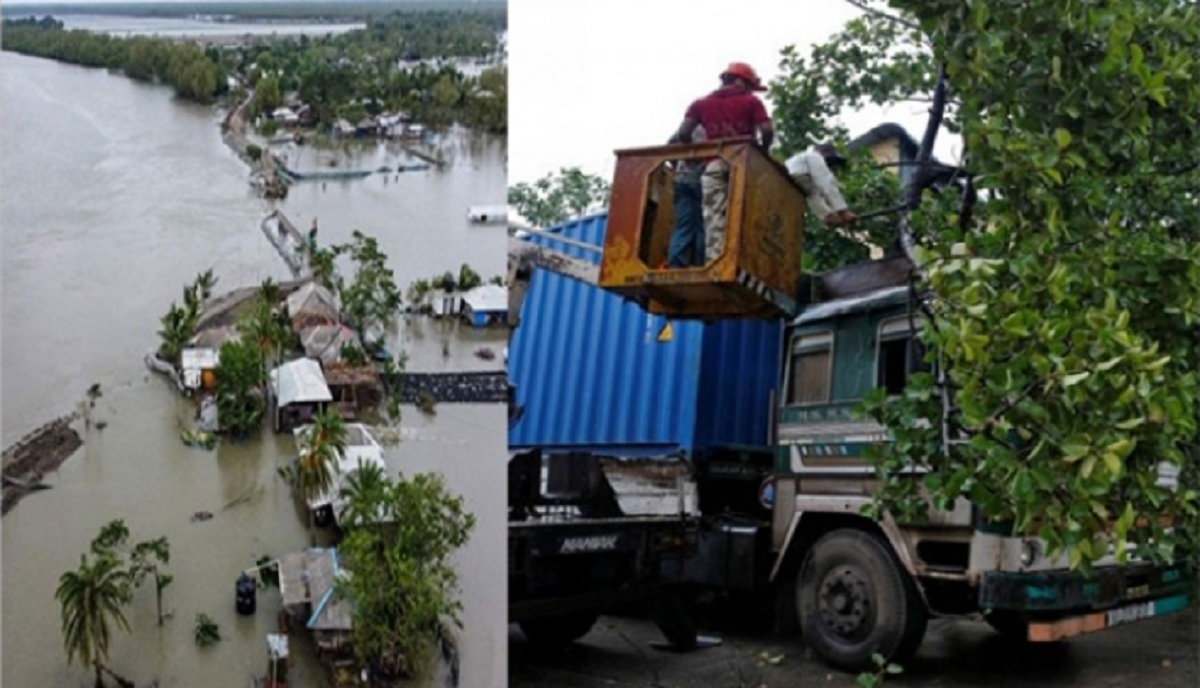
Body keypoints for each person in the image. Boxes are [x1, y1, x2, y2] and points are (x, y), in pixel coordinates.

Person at [670, 62, 774, 265]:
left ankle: (714, 263)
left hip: (714, 164)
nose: (751, 91)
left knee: (712, 218)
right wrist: (764, 149)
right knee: (744, 214)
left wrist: (693, 154)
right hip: (744, 167)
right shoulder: (751, 102)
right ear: (738, 81)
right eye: (750, 86)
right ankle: (741, 261)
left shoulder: (700, 104)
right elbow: (767, 130)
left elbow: (684, 133)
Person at [785, 143, 858, 226]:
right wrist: (843, 211)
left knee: (811, 193)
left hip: (788, 178)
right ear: (824, 153)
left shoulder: (800, 157)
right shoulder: (814, 156)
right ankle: (842, 213)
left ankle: (827, 216)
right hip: (798, 173)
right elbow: (826, 183)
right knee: (825, 183)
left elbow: (811, 194)